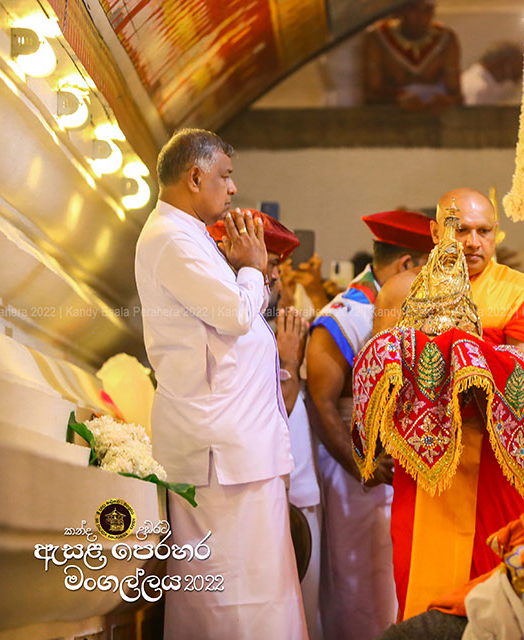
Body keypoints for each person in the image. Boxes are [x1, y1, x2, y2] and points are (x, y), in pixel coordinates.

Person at [134, 129, 307, 639]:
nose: (232, 189)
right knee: (228, 599)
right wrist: (251, 269)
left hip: (236, 451)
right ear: (195, 176)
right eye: (225, 176)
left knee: (261, 592)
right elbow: (233, 314)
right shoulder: (170, 238)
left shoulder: (185, 234)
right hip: (218, 457)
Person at [373, 188, 524, 621]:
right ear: (436, 231)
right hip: (423, 472)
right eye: (460, 229)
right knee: (419, 588)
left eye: (484, 231)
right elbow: (378, 371)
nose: (473, 242)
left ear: (496, 234)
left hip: (494, 469)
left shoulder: (520, 294)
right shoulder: (401, 291)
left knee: (497, 593)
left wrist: (473, 363)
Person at [306, 210, 434, 640]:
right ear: (406, 266)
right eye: (429, 267)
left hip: (391, 471)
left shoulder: (404, 305)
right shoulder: (346, 314)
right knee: (360, 589)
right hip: (353, 473)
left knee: (391, 586)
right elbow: (321, 403)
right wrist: (362, 464)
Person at [363, 0, 462, 111]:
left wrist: (445, 101)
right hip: (391, 119)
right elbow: (370, 94)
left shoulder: (446, 38)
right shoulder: (378, 37)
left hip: (433, 119)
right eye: (413, 9)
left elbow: (456, 94)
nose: (421, 17)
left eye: (427, 10)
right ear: (400, 10)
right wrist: (397, 100)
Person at [461, 42, 524, 106]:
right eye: (515, 71)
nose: (516, 79)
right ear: (502, 63)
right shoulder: (479, 88)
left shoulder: (480, 82)